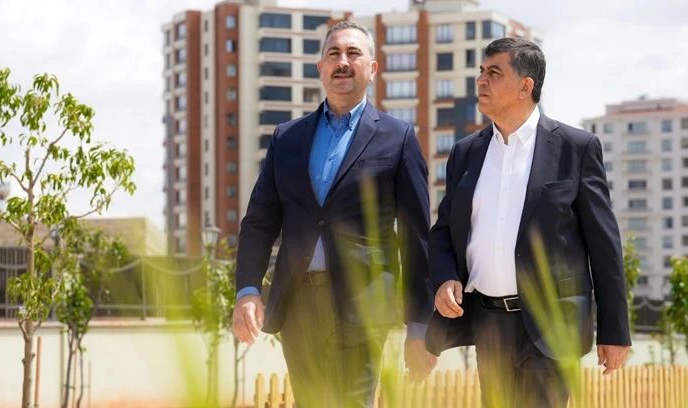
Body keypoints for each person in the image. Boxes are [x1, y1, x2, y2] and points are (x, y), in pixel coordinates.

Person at [232, 21, 435, 407]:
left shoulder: (399, 138)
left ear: (372, 69)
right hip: (298, 308)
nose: (343, 61)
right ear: (320, 68)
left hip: (363, 305)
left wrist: (419, 326)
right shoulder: (286, 137)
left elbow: (417, 239)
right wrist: (247, 291)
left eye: (353, 53)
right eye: (334, 54)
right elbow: (259, 222)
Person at [425, 37, 631, 408]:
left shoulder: (576, 148)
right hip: (489, 324)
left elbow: (604, 246)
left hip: (552, 326)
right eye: (481, 72)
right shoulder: (465, 152)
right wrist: (444, 278)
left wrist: (615, 331)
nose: (481, 81)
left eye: (494, 72)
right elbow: (443, 232)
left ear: (525, 86)